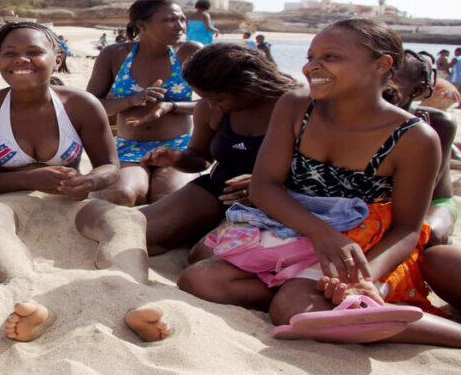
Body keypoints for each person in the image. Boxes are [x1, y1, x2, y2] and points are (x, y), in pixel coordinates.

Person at [178, 18, 461, 352]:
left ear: (381, 65)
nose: (312, 66)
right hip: (301, 229)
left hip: (364, 246)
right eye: (310, 57)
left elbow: (408, 230)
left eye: (331, 57)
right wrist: (321, 233)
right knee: (199, 278)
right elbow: (265, 186)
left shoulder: (415, 138)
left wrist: (364, 279)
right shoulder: (295, 106)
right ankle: (321, 298)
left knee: (291, 309)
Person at [0, 22, 168, 342]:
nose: (21, 59)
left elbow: (110, 166)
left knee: (128, 218)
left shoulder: (81, 105)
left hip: (70, 203)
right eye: (9, 54)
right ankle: (27, 296)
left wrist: (90, 181)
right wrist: (28, 178)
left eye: (34, 51)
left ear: (58, 58)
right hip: (6, 204)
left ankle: (130, 297)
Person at [77, 43, 299, 257]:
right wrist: (177, 158)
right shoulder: (210, 108)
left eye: (218, 99)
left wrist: (268, 185)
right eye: (205, 98)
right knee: (130, 230)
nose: (210, 105)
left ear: (248, 85)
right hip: (217, 190)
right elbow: (201, 159)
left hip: (281, 199)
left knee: (203, 257)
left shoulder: (294, 105)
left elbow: (324, 171)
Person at [85, 0, 200, 206]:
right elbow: (90, 105)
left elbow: (216, 103)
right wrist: (131, 101)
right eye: (170, 20)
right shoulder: (115, 54)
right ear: (142, 24)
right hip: (129, 146)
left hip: (178, 148)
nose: (180, 26)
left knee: (167, 198)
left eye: (183, 20)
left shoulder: (190, 53)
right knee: (122, 195)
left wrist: (171, 106)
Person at [392, 50, 457, 245]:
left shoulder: (438, 123)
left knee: (429, 234)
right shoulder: (364, 116)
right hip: (381, 202)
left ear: (418, 90)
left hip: (432, 202)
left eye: (394, 79)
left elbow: (427, 189)